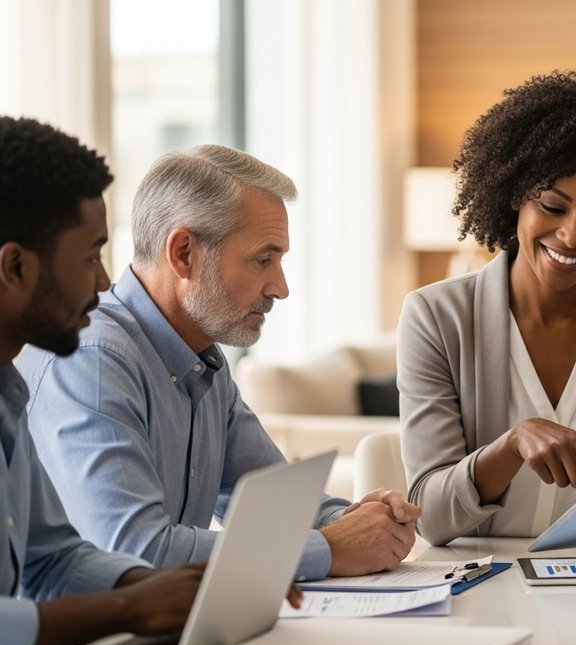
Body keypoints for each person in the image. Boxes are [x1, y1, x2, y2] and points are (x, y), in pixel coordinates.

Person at [17, 144, 420, 582]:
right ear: (184, 253)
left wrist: (361, 520)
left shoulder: (202, 360)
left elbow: (269, 499)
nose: (280, 288)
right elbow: (134, 550)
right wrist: (331, 548)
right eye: (263, 260)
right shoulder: (92, 360)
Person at [399, 71, 576, 553]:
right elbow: (430, 516)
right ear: (515, 194)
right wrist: (513, 444)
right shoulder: (435, 316)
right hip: (480, 584)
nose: (574, 236)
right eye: (553, 207)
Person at [0, 115, 205, 645]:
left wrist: (179, 586)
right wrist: (127, 608)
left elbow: (53, 559)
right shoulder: (89, 359)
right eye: (90, 257)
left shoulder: (8, 395)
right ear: (14, 267)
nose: (101, 284)